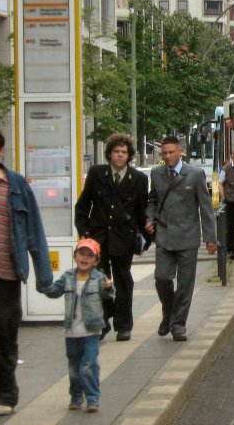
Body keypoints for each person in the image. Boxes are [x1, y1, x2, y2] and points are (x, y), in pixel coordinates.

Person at [0, 128, 53, 416]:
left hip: (5, 273)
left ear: (0, 151)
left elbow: (33, 231)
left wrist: (44, 276)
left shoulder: (15, 184)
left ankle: (5, 394)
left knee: (4, 334)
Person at [74, 133, 148, 342]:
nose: (120, 156)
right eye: (116, 151)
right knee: (98, 281)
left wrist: (146, 237)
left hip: (124, 238)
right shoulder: (97, 174)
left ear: (129, 155)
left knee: (124, 280)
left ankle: (124, 325)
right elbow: (82, 206)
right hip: (98, 238)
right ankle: (103, 320)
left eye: (124, 152)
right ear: (109, 154)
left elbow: (142, 213)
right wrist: (85, 233)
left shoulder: (139, 179)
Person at [144, 136, 216, 342]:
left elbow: (206, 207)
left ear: (180, 151)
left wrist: (210, 238)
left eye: (171, 152)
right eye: (164, 153)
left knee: (185, 284)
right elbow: (153, 200)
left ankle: (178, 325)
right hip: (164, 236)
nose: (167, 156)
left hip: (188, 237)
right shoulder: (157, 174)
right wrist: (149, 218)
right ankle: (169, 311)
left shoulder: (194, 174)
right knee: (162, 278)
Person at [43, 238, 113, 413]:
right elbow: (54, 292)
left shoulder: (99, 277)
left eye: (90, 255)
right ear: (75, 257)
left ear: (96, 260)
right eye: (82, 254)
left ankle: (92, 398)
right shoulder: (67, 276)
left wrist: (108, 288)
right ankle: (76, 395)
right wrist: (43, 284)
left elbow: (109, 296)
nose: (85, 258)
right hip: (71, 331)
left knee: (89, 364)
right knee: (74, 367)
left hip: (91, 330)